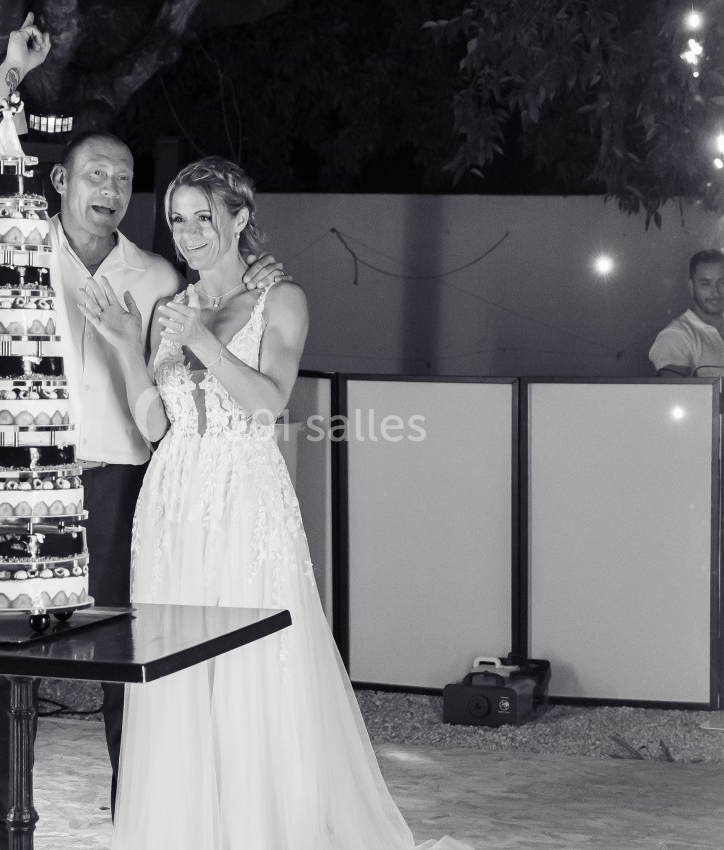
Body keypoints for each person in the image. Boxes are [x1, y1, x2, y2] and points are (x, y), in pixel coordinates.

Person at [0, 16, 290, 850]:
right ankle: (3, 826)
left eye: (124, 178)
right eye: (95, 172)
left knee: (124, 664)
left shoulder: (158, 274)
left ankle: (140, 814)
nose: (109, 187)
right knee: (4, 658)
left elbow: (224, 307)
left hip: (121, 482)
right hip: (18, 483)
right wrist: (9, 74)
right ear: (60, 182)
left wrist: (259, 273)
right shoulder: (12, 240)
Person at [81, 156, 470, 849]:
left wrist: (203, 342)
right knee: (176, 674)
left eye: (206, 216)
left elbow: (270, 403)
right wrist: (121, 348)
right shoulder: (168, 308)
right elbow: (156, 425)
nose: (191, 233)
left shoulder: (280, 299)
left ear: (239, 218)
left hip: (243, 498)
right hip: (172, 503)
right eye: (178, 219)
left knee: (252, 667)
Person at [650, 248, 724, 378]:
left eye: (722, 282)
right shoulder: (677, 335)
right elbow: (677, 396)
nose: (715, 292)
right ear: (691, 287)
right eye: (706, 284)